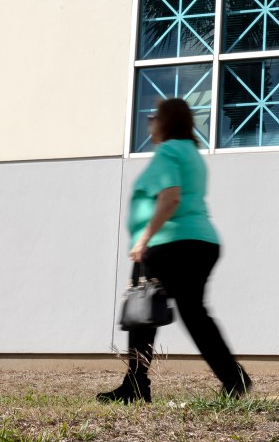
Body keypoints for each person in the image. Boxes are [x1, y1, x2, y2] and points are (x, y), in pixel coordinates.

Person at [97, 98, 251, 404]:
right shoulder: (190, 153)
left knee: (143, 314)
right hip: (200, 242)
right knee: (193, 314)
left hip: (170, 244)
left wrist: (144, 238)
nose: (149, 120)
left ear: (166, 121)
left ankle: (137, 385)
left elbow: (170, 198)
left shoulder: (168, 151)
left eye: (154, 116)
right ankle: (233, 378)